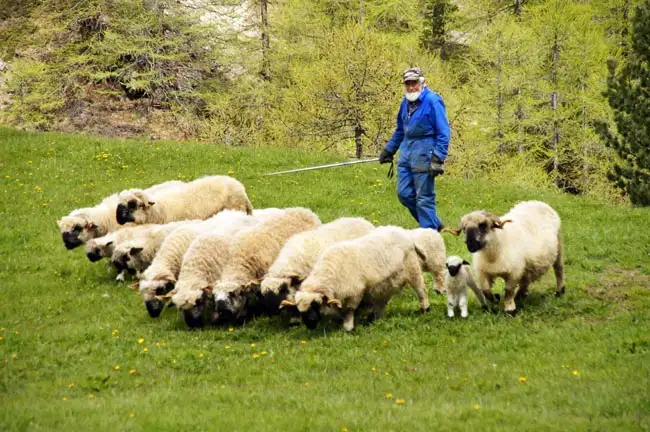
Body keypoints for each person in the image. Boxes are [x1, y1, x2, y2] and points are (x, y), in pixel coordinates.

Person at [379, 67, 450, 231]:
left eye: (414, 83)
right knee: (404, 194)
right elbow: (400, 130)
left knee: (424, 198)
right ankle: (434, 223)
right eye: (408, 84)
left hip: (425, 155)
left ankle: (429, 234)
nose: (411, 87)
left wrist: (438, 157)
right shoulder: (405, 103)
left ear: (422, 83)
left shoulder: (433, 101)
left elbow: (444, 132)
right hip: (407, 154)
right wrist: (389, 150)